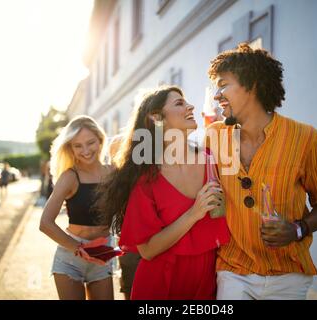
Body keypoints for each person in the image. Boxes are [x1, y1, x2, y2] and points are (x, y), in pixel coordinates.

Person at [205, 43, 317, 300]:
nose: (216, 94)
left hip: (289, 276)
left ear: (252, 85)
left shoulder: (305, 138)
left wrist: (298, 229)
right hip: (233, 270)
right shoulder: (214, 137)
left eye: (223, 85)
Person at [96, 86, 230, 300]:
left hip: (209, 282)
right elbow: (147, 250)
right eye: (179, 103)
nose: (190, 106)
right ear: (157, 118)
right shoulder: (145, 177)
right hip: (162, 285)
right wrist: (194, 213)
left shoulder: (210, 160)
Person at [39, 115, 114, 300]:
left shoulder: (113, 173)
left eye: (90, 143)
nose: (86, 150)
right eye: (77, 145)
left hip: (102, 254)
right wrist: (80, 248)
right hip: (71, 258)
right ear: (70, 148)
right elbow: (45, 223)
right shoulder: (69, 177)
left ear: (100, 140)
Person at [108, 134, 141, 300]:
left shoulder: (147, 171)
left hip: (158, 243)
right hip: (130, 248)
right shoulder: (116, 180)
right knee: (132, 290)